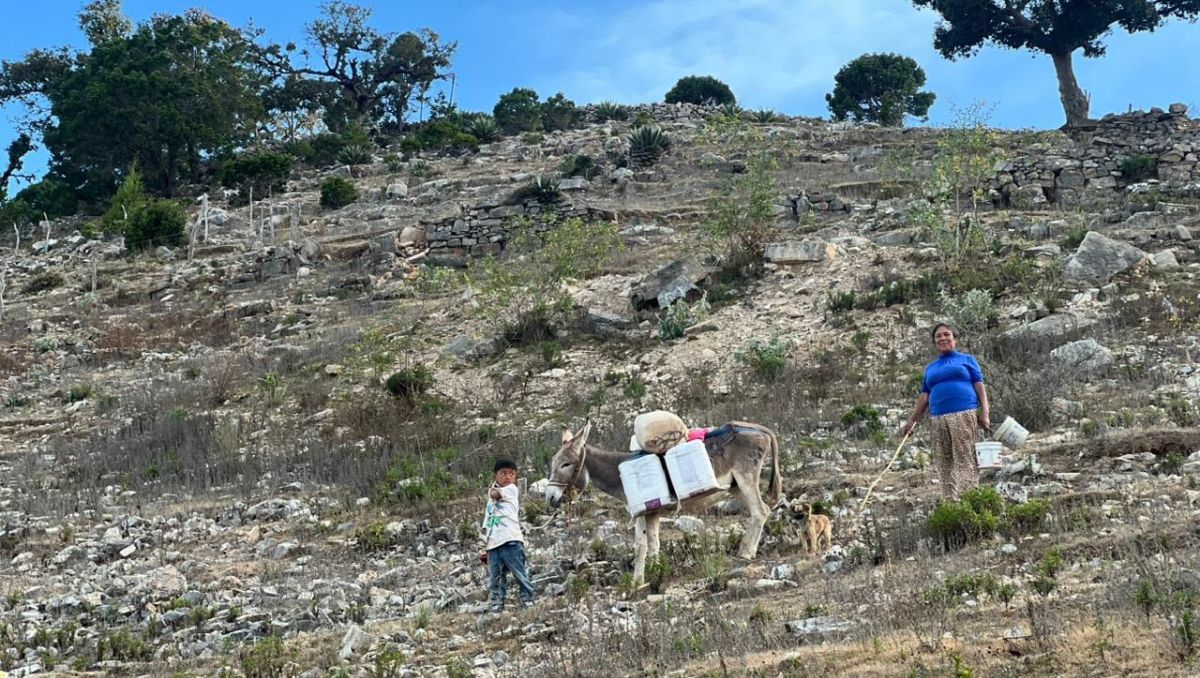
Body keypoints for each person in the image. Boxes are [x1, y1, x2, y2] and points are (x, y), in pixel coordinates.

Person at [900, 323, 991, 499]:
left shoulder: (967, 360)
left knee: (964, 457)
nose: (942, 338)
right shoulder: (931, 368)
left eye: (946, 334)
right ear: (934, 343)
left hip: (963, 414)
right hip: (938, 418)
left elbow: (980, 387)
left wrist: (985, 413)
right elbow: (925, 396)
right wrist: (912, 420)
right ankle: (950, 500)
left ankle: (969, 498)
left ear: (954, 339)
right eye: (938, 336)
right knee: (944, 460)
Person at [481, 458, 534, 612]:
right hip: (494, 544)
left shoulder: (511, 489)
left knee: (519, 572)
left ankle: (527, 598)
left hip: (511, 539)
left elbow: (494, 493)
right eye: (503, 473)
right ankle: (497, 602)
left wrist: (491, 490)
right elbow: (489, 524)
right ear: (495, 476)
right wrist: (487, 544)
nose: (508, 477)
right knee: (496, 577)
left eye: (511, 474)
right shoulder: (490, 503)